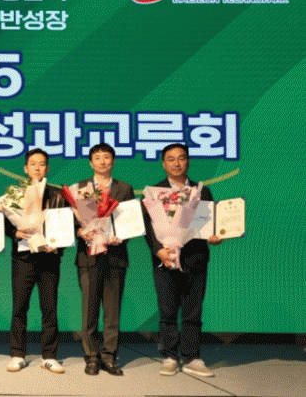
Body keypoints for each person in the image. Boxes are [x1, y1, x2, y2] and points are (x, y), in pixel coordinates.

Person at [143, 143, 222, 377]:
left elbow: (209, 223)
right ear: (163, 163)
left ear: (188, 161)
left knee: (193, 312)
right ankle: (169, 356)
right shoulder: (153, 192)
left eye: (181, 158)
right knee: (167, 311)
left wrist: (215, 237)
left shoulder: (202, 191)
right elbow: (147, 227)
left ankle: (192, 357)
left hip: (195, 259)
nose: (176, 163)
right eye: (171, 159)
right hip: (165, 260)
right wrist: (158, 250)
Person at [74, 143, 134, 376]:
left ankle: (109, 356)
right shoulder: (80, 188)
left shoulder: (124, 188)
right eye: (97, 158)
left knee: (112, 311)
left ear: (113, 161)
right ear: (91, 163)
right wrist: (80, 232)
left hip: (115, 256)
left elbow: (130, 220)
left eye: (107, 157)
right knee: (89, 310)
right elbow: (71, 221)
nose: (102, 161)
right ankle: (91, 356)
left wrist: (122, 236)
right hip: (88, 257)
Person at [6, 148, 67, 374]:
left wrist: (58, 244)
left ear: (47, 168)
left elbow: (65, 225)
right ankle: (17, 354)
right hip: (24, 256)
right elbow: (5, 223)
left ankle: (49, 356)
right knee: (19, 307)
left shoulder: (58, 194)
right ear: (25, 168)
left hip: (49, 258)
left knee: (49, 308)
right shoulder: (15, 193)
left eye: (41, 164)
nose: (37, 167)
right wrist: (15, 233)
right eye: (33, 163)